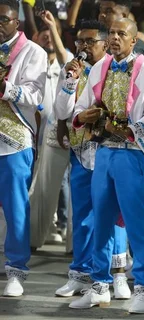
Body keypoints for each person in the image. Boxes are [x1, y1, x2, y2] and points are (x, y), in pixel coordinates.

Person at [68, 18, 144, 313]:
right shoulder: (98, 68)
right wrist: (84, 116)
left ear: (134, 40)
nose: (115, 37)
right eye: (112, 33)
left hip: (132, 153)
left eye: (123, 33)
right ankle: (99, 286)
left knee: (137, 224)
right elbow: (80, 107)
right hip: (103, 153)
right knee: (102, 220)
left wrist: (131, 130)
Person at [52, 19, 130, 299]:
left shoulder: (116, 69)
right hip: (82, 152)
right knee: (82, 215)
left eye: (89, 41)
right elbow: (62, 111)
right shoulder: (72, 70)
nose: (83, 47)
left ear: (105, 43)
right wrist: (69, 83)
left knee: (113, 216)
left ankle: (118, 275)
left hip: (112, 152)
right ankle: (80, 274)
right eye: (80, 41)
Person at [0, 0, 47, 296]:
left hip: (14, 139)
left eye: (3, 20)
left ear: (16, 22)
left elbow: (36, 93)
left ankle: (16, 271)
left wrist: (5, 89)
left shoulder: (34, 52)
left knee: (16, 207)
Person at [28, 9, 74, 248]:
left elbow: (64, 58)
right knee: (43, 188)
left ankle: (75, 245)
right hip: (49, 132)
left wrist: (54, 28)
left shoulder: (77, 62)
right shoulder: (32, 58)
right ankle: (33, 238)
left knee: (75, 190)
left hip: (77, 135)